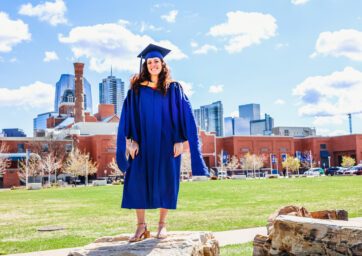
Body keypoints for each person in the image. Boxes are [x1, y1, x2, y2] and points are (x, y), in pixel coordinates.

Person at [116, 44, 209, 242]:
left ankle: (162, 225)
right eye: (149, 62)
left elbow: (186, 116)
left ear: (162, 63)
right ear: (145, 65)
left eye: (156, 61)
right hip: (142, 143)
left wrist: (181, 141)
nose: (153, 65)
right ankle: (141, 227)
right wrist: (130, 141)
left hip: (167, 144)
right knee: (137, 181)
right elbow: (127, 117)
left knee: (167, 180)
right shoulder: (136, 90)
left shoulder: (173, 88)